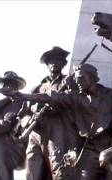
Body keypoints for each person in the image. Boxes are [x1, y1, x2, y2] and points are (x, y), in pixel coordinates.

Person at [7, 63, 112, 180]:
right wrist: (24, 96)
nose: (77, 81)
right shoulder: (74, 97)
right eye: (75, 78)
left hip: (111, 148)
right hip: (90, 149)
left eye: (81, 77)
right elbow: (50, 97)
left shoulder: (111, 95)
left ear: (93, 78)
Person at [24, 47, 80, 180]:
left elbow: (74, 101)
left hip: (58, 129)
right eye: (51, 60)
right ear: (47, 64)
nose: (55, 63)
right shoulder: (37, 88)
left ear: (63, 64)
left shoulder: (69, 82)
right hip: (36, 132)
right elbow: (24, 112)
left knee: (59, 169)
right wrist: (29, 119)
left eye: (59, 60)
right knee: (32, 171)